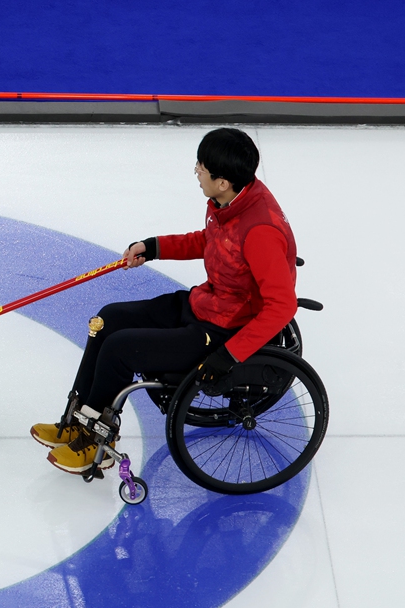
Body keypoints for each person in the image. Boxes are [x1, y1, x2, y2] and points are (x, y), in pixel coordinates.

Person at [31, 128, 298, 474]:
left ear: (223, 182)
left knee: (120, 348)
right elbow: (211, 241)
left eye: (202, 168)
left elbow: (282, 306)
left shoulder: (260, 231)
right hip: (206, 304)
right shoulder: (231, 200)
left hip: (223, 330)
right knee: (107, 320)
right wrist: (155, 247)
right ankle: (76, 419)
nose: (197, 172)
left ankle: (98, 438)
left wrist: (228, 355)